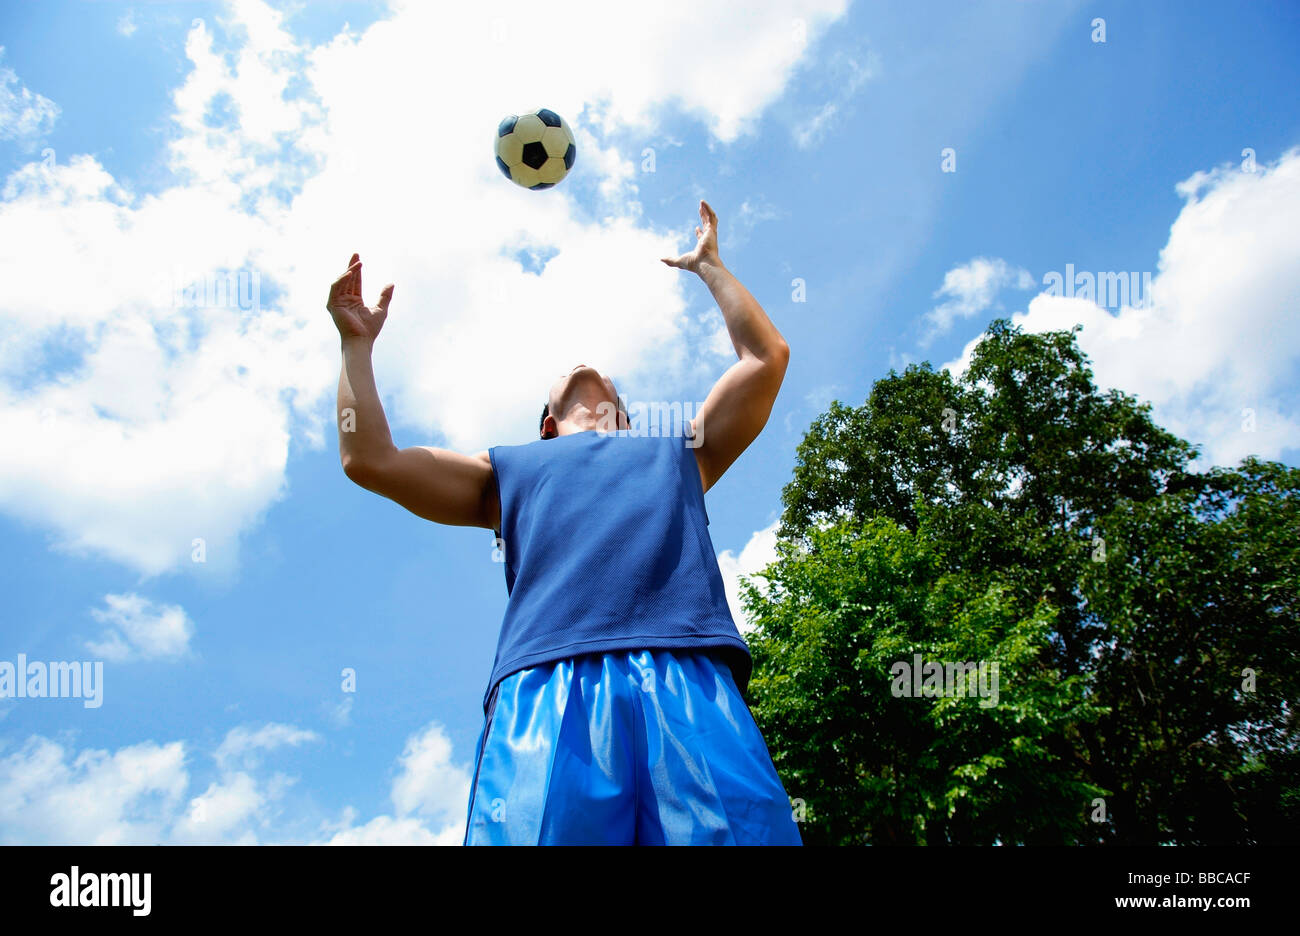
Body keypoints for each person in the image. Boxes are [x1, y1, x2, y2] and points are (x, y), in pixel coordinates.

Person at [327, 200, 799, 845]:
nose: (584, 368)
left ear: (628, 420)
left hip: (687, 678)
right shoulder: (509, 473)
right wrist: (356, 347)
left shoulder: (678, 454)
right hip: (547, 689)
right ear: (547, 426)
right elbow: (369, 458)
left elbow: (766, 359)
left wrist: (710, 268)